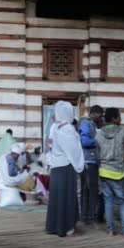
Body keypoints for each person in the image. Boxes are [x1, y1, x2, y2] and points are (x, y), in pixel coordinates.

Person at [45, 101, 84, 237]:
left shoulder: (54, 127)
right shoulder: (67, 129)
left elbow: (49, 146)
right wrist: (80, 165)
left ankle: (54, 226)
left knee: (56, 197)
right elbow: (73, 151)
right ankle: (66, 227)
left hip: (56, 166)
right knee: (67, 197)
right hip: (66, 167)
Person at [96, 107, 124, 238]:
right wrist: (122, 166)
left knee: (108, 201)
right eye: (119, 116)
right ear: (115, 118)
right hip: (118, 173)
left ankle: (110, 230)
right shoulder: (123, 132)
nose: (120, 119)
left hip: (104, 172)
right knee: (122, 202)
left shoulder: (98, 134)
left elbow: (98, 154)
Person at [77, 105, 104, 228]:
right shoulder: (86, 124)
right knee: (92, 191)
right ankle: (91, 218)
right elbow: (84, 141)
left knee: (86, 191)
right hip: (89, 163)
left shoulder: (90, 124)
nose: (101, 118)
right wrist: (97, 140)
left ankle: (85, 217)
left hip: (89, 162)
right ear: (95, 114)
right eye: (100, 115)